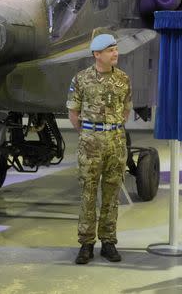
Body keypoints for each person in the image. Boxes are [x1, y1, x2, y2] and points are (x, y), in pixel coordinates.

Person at [66, 33, 132, 265]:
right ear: (97, 54)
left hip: (116, 142)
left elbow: (126, 110)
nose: (116, 53)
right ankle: (86, 244)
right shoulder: (81, 79)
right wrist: (89, 133)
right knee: (88, 193)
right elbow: (73, 114)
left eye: (116, 49)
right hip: (90, 143)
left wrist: (112, 128)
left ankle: (108, 242)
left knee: (112, 195)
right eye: (110, 50)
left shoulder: (123, 79)